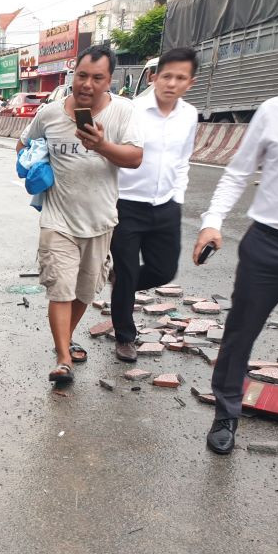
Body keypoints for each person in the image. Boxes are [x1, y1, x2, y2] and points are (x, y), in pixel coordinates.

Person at [196, 22, 278, 455]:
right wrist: (212, 221)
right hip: (267, 243)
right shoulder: (274, 112)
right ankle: (226, 413)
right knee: (240, 333)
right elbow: (238, 172)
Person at [17, 44, 144, 384]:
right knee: (60, 289)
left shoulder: (123, 112)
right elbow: (24, 144)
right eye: (82, 75)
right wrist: (34, 163)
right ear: (74, 74)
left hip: (101, 221)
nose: (87, 84)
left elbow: (134, 158)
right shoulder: (50, 114)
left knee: (84, 293)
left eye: (97, 78)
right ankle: (62, 359)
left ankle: (65, 339)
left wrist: (101, 145)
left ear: (109, 81)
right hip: (57, 219)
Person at [110, 48, 199, 362]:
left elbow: (183, 161)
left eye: (180, 78)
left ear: (190, 82)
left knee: (164, 270)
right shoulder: (131, 111)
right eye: (167, 76)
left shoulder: (189, 115)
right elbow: (112, 155)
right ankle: (125, 336)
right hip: (126, 206)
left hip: (165, 206)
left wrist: (178, 198)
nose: (172, 83)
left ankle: (123, 281)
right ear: (153, 77)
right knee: (128, 269)